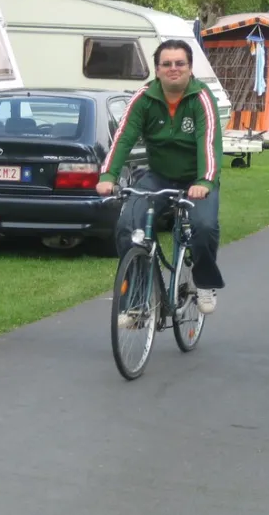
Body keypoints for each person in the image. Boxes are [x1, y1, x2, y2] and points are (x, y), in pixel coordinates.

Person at [96, 38, 225, 317]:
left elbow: (209, 142)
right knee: (128, 226)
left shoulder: (201, 98)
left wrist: (204, 181)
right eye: (166, 64)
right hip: (159, 176)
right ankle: (136, 299)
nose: (173, 68)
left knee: (204, 227)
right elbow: (123, 137)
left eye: (180, 63)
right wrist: (108, 175)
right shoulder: (144, 99)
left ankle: (204, 282)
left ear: (190, 68)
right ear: (157, 70)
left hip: (198, 179)